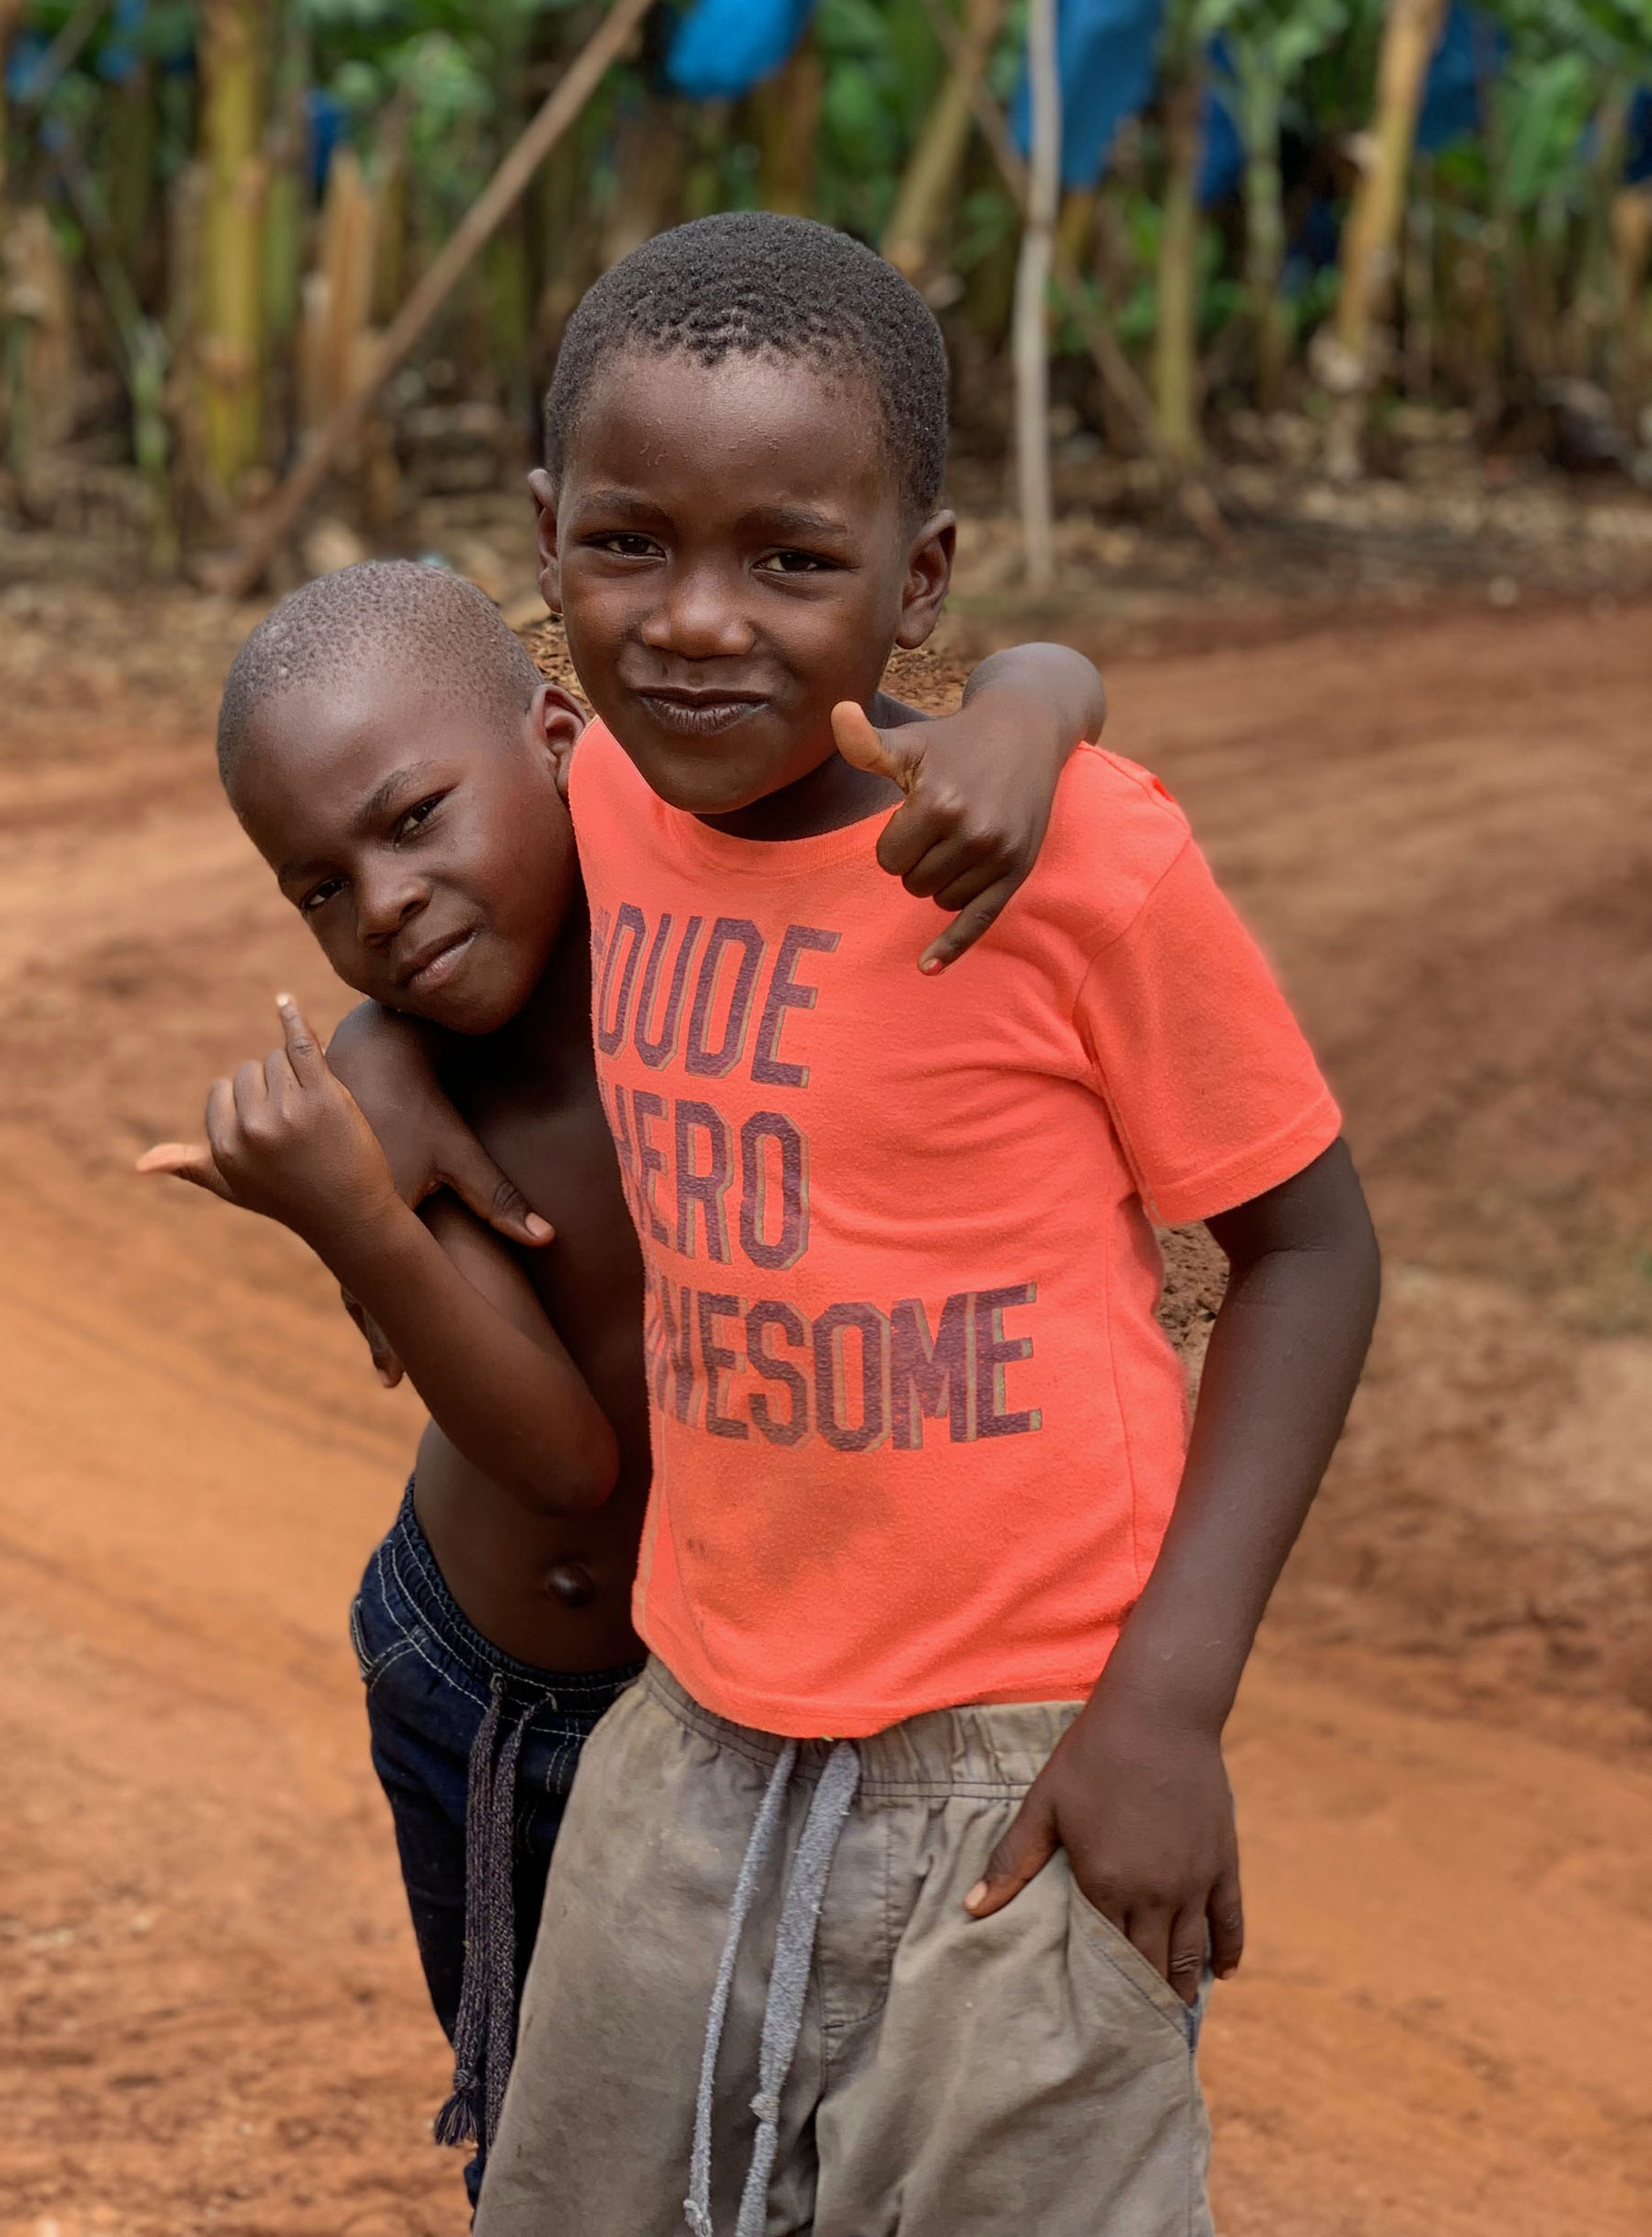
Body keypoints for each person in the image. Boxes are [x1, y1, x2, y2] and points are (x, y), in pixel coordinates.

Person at [425, 209, 1377, 2237]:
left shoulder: (1076, 858)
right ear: (544, 535)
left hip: (1024, 1770)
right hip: (687, 1729)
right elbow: (391, 883)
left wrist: (1164, 1708)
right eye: (626, 543)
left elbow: (1307, 1248)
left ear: (914, 572)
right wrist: (351, 1080)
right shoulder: (586, 799)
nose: (697, 620)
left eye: (789, 558)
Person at [141, 557, 1107, 2199]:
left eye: (418, 816)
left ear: (561, 733)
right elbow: (566, 1462)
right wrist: (353, 1219)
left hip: (769, 1710)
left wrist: (1030, 705)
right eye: (318, 887)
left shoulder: (714, 900)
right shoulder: (412, 1075)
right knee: (567, 2175)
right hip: (512, 1702)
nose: (382, 902)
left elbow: (1033, 676)